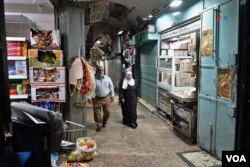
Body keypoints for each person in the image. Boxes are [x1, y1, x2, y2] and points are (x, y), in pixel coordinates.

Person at [93, 65, 115, 132]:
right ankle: (98, 125)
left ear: (103, 71)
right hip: (97, 98)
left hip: (106, 98)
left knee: (107, 112)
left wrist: (112, 95)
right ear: (96, 71)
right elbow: (91, 89)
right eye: (99, 70)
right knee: (97, 113)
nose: (100, 71)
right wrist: (90, 97)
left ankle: (104, 121)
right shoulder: (94, 79)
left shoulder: (108, 78)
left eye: (102, 70)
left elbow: (111, 87)